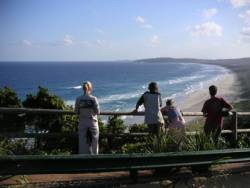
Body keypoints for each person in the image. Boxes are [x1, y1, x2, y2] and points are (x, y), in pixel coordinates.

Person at [75, 81, 100, 154]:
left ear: (83, 89)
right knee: (95, 139)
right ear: (90, 88)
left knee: (82, 140)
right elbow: (98, 112)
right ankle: (95, 156)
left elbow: (76, 111)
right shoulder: (93, 99)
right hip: (92, 121)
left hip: (82, 121)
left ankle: (83, 157)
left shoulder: (78, 99)